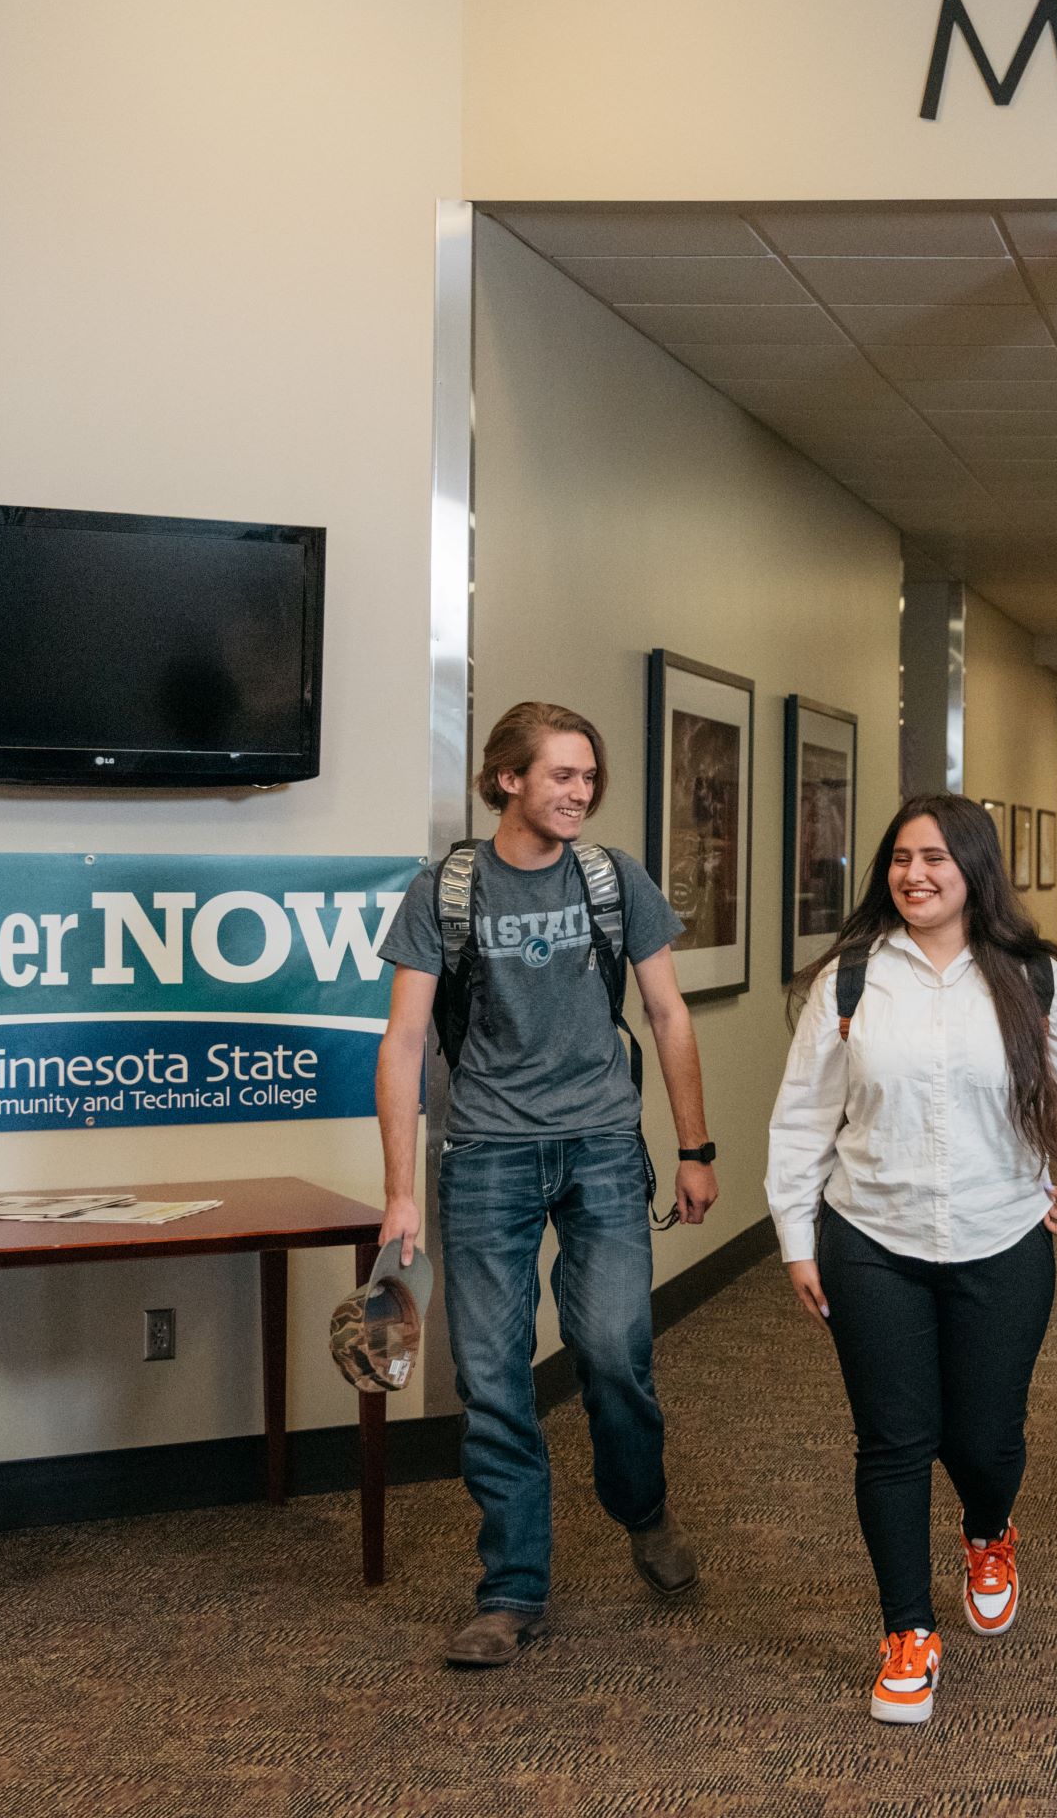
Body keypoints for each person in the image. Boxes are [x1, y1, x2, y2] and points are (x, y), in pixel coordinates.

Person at [766, 794, 1057, 1726]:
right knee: (893, 1441)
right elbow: (803, 1117)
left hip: (1003, 1234)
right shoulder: (851, 979)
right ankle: (907, 1633)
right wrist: (795, 1239)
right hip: (871, 1240)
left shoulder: (1030, 975)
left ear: (974, 869)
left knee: (982, 1437)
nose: (914, 875)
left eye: (935, 858)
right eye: (900, 858)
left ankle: (987, 1530)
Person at [375, 700, 720, 1668]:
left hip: (604, 1144)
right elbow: (403, 1040)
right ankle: (512, 1586)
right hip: (485, 1152)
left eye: (587, 776)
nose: (580, 792)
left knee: (613, 1345)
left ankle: (642, 1506)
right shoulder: (444, 890)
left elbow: (666, 1011)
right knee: (491, 1376)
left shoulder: (615, 881)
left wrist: (697, 1147)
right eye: (561, 774)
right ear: (507, 780)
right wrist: (401, 1188)